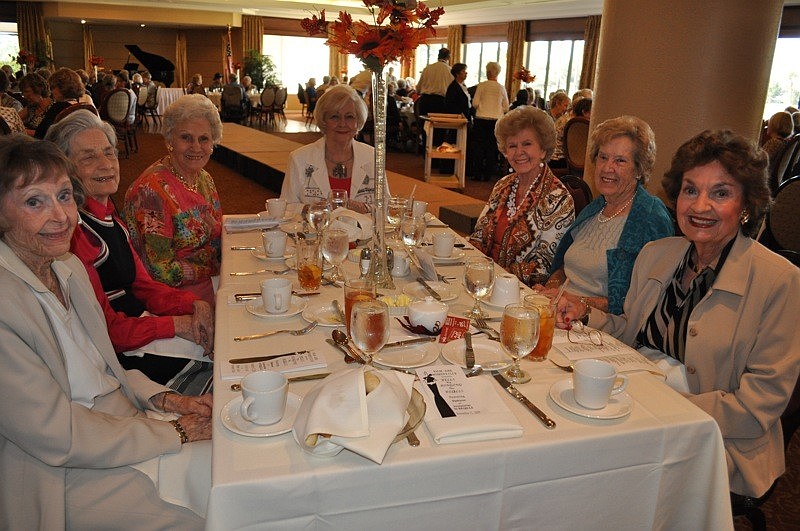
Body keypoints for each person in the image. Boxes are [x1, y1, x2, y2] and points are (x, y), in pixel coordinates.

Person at [557, 129, 800, 499]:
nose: (700, 206)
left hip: (712, 433)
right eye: (690, 190)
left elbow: (757, 406)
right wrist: (587, 313)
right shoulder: (659, 253)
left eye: (720, 193)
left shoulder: (779, 281)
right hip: (635, 396)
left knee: (590, 469)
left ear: (747, 205)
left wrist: (658, 405)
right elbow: (630, 331)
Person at [0, 134, 212, 529]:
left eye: (64, 196)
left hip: (122, 427)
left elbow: (105, 370)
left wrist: (165, 400)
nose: (61, 216)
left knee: (236, 460)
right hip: (61, 472)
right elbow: (54, 435)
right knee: (213, 512)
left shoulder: (68, 268)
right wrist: (174, 434)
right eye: (34, 201)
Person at [46, 110, 215, 388]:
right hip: (120, 358)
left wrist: (194, 305)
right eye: (89, 157)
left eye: (109, 153)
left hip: (142, 330)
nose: (106, 165)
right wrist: (177, 324)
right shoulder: (73, 234)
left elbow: (143, 286)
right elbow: (105, 330)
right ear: (64, 170)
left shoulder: (110, 216)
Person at [541, 116, 674, 314]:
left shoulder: (650, 217)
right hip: (561, 311)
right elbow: (564, 267)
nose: (607, 167)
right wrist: (551, 289)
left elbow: (644, 303)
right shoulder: (597, 207)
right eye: (603, 157)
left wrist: (579, 302)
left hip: (602, 328)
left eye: (620, 160)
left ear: (639, 169)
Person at [123, 95, 222, 307]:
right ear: (169, 140)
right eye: (186, 137)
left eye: (204, 139)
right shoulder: (151, 191)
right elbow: (160, 272)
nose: (196, 147)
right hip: (171, 296)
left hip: (206, 279)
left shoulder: (204, 179)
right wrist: (212, 268)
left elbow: (216, 235)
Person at [468, 106, 575, 285]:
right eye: (512, 146)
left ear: (542, 149)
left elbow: (543, 266)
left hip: (519, 292)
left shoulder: (558, 199)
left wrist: (491, 276)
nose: (519, 153)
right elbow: (478, 237)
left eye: (527, 144)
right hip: (483, 280)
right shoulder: (503, 185)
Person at [281, 84, 385, 214]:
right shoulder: (299, 158)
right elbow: (285, 207)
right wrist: (312, 209)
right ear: (323, 121)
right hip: (315, 232)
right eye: (334, 117)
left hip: (363, 233)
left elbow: (386, 207)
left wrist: (363, 208)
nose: (342, 124)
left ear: (358, 121)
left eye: (349, 117)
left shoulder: (373, 157)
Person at [471, 61, 509, 180]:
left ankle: (477, 174)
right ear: (497, 73)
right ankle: (488, 175)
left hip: (481, 119)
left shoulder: (481, 86)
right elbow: (506, 107)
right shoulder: (501, 88)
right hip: (496, 121)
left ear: (487, 72)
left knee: (479, 147)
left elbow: (475, 103)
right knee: (491, 147)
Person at [33, 67, 85, 139]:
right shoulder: (83, 106)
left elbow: (40, 134)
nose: (51, 91)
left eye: (53, 87)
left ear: (62, 88)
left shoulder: (58, 108)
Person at [761, 110, 794, 192]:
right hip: (772, 180)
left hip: (763, 179)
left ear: (774, 125)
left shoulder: (774, 143)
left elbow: (760, 160)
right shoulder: (785, 142)